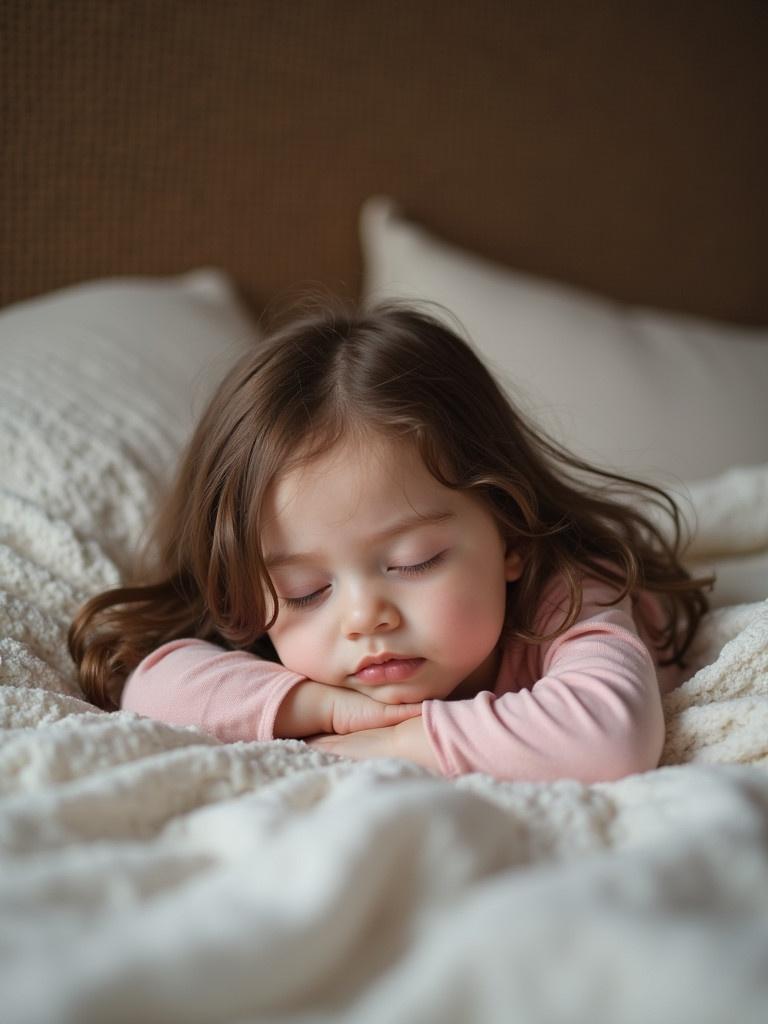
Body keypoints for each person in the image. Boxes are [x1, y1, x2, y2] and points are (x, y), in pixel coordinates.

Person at [68, 300, 712, 782]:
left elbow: (611, 737)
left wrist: (387, 743)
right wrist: (320, 707)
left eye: (414, 561)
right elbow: (152, 688)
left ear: (509, 531)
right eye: (306, 591)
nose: (363, 616)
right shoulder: (287, 660)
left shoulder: (568, 591)